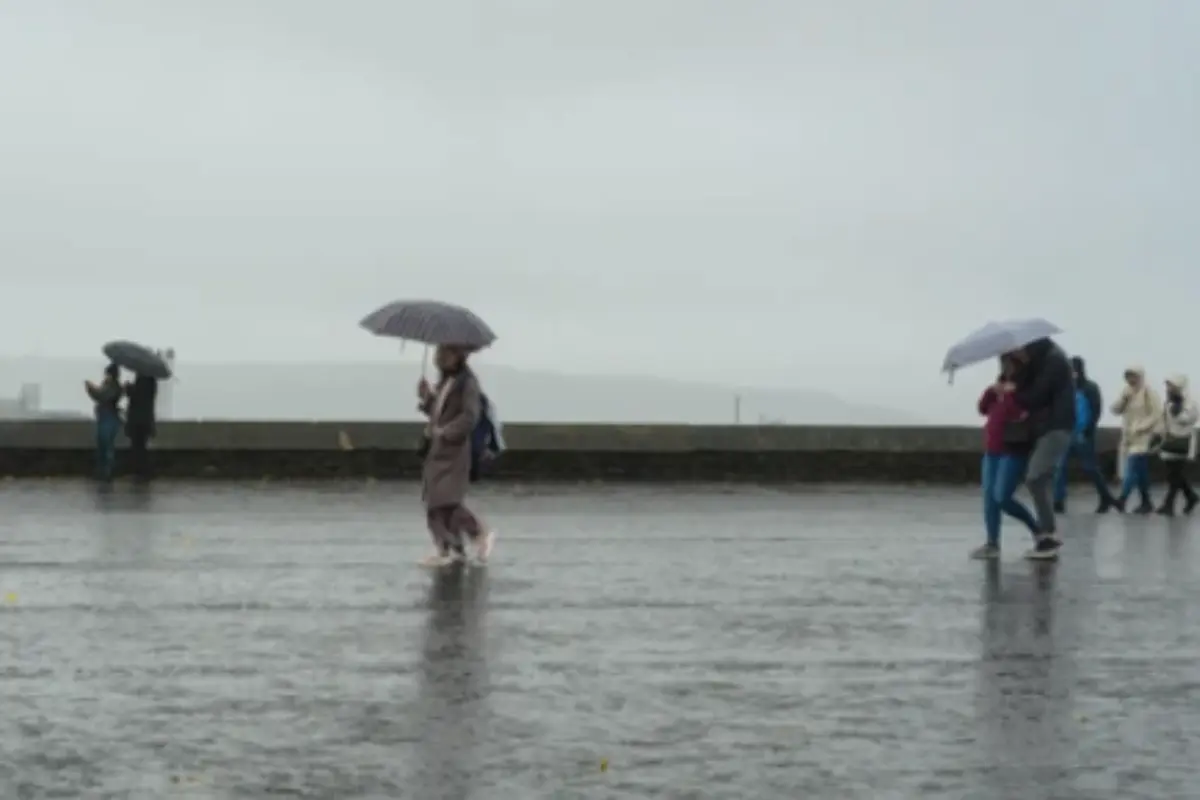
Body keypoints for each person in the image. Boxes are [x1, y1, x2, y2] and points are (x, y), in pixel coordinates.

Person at [416, 345, 494, 567]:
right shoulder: (445, 382)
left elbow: (470, 416)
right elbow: (438, 413)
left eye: (444, 353)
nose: (438, 358)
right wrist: (426, 399)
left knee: (445, 500)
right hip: (437, 450)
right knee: (434, 501)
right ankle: (450, 549)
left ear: (459, 356)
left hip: (454, 450)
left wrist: (446, 432)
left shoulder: (468, 383)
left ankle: (477, 531)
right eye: (438, 353)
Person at [1007, 337, 1075, 560]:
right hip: (1050, 427)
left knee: (1035, 477)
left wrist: (1012, 391)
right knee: (1043, 479)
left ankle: (1048, 535)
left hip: (1057, 426)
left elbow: (1035, 396)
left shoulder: (1054, 361)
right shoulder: (1044, 360)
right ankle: (1047, 536)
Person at [971, 354, 1041, 560]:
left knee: (1002, 496)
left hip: (1013, 450)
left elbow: (1020, 414)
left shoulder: (1025, 390)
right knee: (989, 500)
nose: (1005, 366)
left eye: (1008, 362)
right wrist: (992, 392)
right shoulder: (999, 389)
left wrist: (1010, 394)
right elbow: (982, 408)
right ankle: (992, 542)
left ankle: (1037, 530)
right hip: (992, 450)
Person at [1053, 357, 1117, 513]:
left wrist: (1089, 429)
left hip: (1083, 434)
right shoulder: (1064, 388)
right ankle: (1058, 500)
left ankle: (1105, 496)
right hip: (1066, 433)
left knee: (1090, 468)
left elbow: (1096, 409)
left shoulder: (1090, 387)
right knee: (1060, 467)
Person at [1111, 366, 1161, 514]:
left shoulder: (1149, 393)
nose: (1130, 380)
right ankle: (1146, 501)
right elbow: (1114, 410)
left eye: (1133, 376)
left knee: (1131, 468)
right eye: (1128, 377)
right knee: (1141, 472)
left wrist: (1141, 427)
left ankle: (1122, 499)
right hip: (1128, 438)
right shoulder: (1126, 392)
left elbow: (1156, 413)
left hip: (1143, 437)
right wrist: (1123, 399)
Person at [1156, 374, 1198, 516]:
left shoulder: (1190, 402)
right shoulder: (1168, 401)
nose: (1168, 388)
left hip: (1183, 442)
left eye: (1171, 385)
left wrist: (1177, 410)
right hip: (1170, 441)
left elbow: (1189, 420)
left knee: (1174, 474)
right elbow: (1165, 420)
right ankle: (1191, 496)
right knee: (1174, 474)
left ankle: (1169, 504)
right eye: (1167, 385)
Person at [84, 363, 123, 481]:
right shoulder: (112, 386)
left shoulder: (114, 386)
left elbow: (101, 396)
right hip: (107, 417)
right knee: (103, 445)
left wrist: (90, 388)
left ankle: (106, 472)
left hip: (108, 418)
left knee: (105, 445)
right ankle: (102, 471)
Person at [123, 375, 158, 481]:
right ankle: (144, 472)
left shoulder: (143, 380)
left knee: (138, 447)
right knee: (142, 447)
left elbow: (137, 397)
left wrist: (128, 388)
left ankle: (141, 472)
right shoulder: (152, 382)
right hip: (146, 420)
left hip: (138, 420)